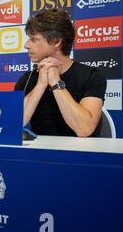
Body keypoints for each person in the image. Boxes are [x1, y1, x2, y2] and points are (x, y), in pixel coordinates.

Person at [14, 9, 106, 137]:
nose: (26, 45)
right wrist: (40, 85)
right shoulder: (27, 78)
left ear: (57, 42)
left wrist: (56, 83)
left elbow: (84, 129)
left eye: (34, 39)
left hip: (79, 154)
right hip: (37, 154)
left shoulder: (91, 76)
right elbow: (13, 124)